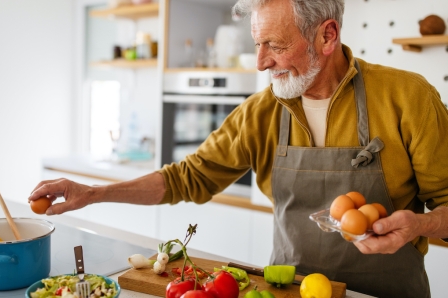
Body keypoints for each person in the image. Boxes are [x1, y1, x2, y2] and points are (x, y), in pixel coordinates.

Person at [29, 0, 448, 296]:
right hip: (287, 292)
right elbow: (189, 176)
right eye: (257, 45)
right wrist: (95, 193)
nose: (260, 62)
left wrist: (421, 225)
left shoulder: (408, 98)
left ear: (327, 35)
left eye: (276, 46)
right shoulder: (261, 112)